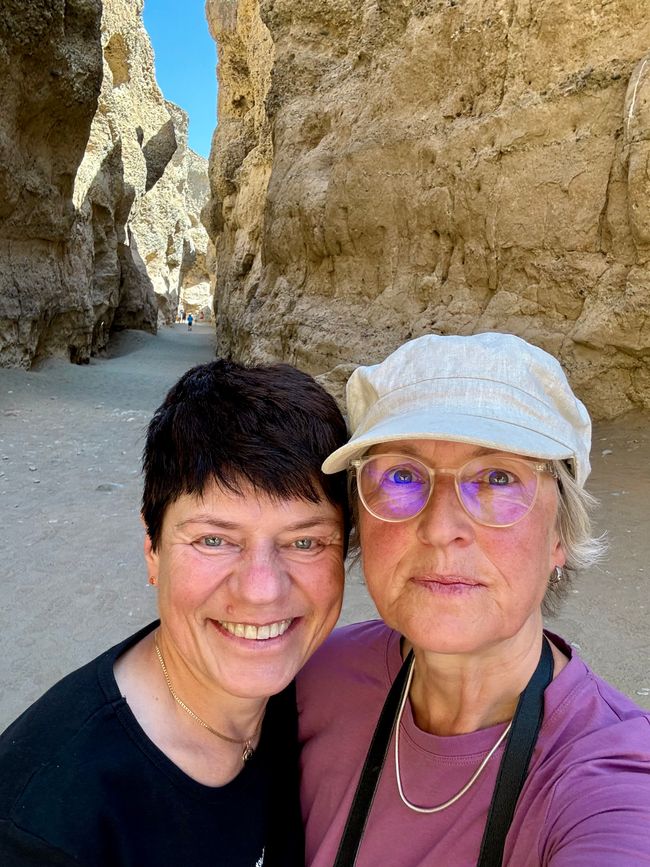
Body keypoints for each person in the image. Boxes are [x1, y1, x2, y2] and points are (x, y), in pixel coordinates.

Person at [298, 332, 650, 866]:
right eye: (400, 475)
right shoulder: (308, 677)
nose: (440, 528)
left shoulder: (608, 775)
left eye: (498, 478)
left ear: (560, 535)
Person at [0, 359, 350, 866]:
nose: (261, 590)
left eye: (304, 541)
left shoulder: (312, 690)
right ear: (152, 548)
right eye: (214, 539)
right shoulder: (44, 829)